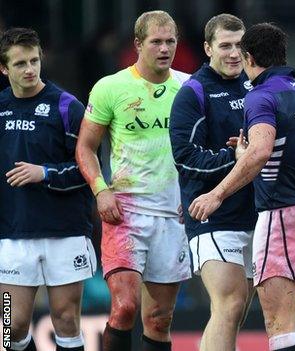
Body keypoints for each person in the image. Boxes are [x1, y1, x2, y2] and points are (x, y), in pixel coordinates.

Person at [169, 13, 295, 351]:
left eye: (239, 45)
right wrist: (231, 160)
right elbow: (184, 157)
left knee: (237, 311)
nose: (234, 53)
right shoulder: (192, 93)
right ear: (208, 48)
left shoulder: (258, 85)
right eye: (225, 45)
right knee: (231, 302)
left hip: (259, 212)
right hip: (214, 214)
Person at [75, 11, 191, 351]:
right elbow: (85, 147)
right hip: (124, 212)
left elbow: (205, 145)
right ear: (138, 44)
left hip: (173, 214)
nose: (164, 48)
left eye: (170, 41)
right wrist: (101, 190)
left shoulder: (189, 87)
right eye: (156, 41)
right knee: (125, 307)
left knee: (159, 319)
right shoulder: (111, 87)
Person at [0, 27, 96, 351]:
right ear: (4, 69)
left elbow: (89, 169)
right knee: (8, 327)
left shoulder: (67, 107)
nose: (29, 69)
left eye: (34, 60)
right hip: (12, 233)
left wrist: (45, 173)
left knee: (66, 320)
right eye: (20, 64)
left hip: (64, 231)